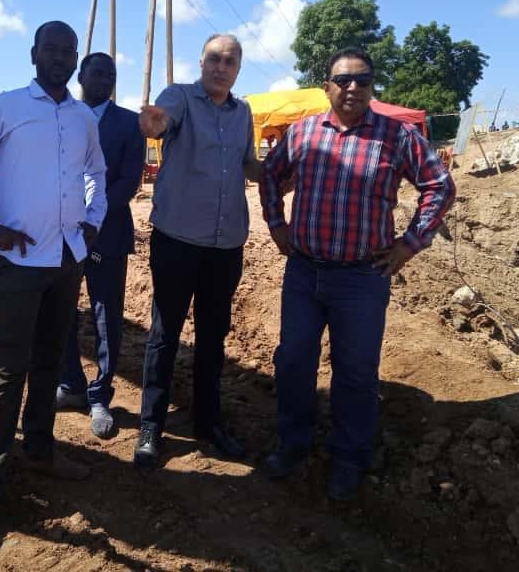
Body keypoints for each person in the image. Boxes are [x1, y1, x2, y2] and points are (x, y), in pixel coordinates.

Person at [259, 46, 456, 501]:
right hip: (304, 274)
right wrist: (275, 224)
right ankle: (292, 444)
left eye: (362, 80)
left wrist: (410, 244)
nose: (353, 87)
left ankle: (349, 458)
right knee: (293, 363)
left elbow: (439, 186)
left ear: (372, 86)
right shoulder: (303, 132)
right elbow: (270, 175)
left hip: (362, 280)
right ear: (326, 86)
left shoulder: (397, 136)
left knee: (356, 373)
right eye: (343, 80)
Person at [0, 21, 107, 546]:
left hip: (66, 261)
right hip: (19, 262)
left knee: (48, 361)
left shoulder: (83, 118)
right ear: (33, 54)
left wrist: (93, 218)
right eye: (50, 49)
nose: (59, 58)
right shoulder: (5, 107)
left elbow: (96, 173)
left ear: (75, 59)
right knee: (8, 369)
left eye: (67, 51)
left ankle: (39, 451)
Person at [134, 33, 262, 469]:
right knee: (165, 333)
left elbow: (247, 163)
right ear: (201, 62)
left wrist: (275, 172)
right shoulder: (181, 97)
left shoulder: (243, 112)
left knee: (213, 336)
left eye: (230, 61)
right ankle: (151, 425)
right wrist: (153, 125)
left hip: (225, 245)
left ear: (238, 69)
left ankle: (208, 423)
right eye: (214, 59)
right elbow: (161, 123)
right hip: (177, 241)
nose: (221, 67)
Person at [57, 53, 146, 438]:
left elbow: (129, 180)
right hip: (60, 234)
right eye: (98, 73)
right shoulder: (61, 116)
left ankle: (100, 395)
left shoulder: (129, 123)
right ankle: (71, 384)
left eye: (111, 74)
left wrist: (92, 217)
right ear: (81, 76)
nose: (105, 79)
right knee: (61, 309)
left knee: (106, 316)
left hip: (107, 234)